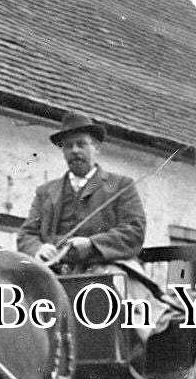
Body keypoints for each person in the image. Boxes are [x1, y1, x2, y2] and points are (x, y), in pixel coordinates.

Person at [17, 110, 146, 272]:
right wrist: (38, 249)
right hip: (53, 270)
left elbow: (134, 232)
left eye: (81, 144)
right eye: (68, 146)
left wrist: (92, 244)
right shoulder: (45, 192)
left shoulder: (120, 185)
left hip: (104, 267)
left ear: (96, 147)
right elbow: (26, 234)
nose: (75, 151)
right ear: (63, 151)